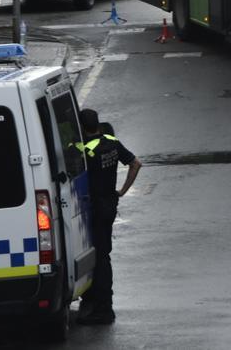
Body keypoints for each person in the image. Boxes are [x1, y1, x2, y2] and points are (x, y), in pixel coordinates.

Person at [76, 109, 141, 325]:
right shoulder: (112, 142)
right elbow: (135, 163)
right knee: (104, 255)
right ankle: (97, 301)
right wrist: (121, 191)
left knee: (101, 258)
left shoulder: (84, 150)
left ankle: (104, 309)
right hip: (110, 205)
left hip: (94, 208)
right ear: (99, 125)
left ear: (83, 128)